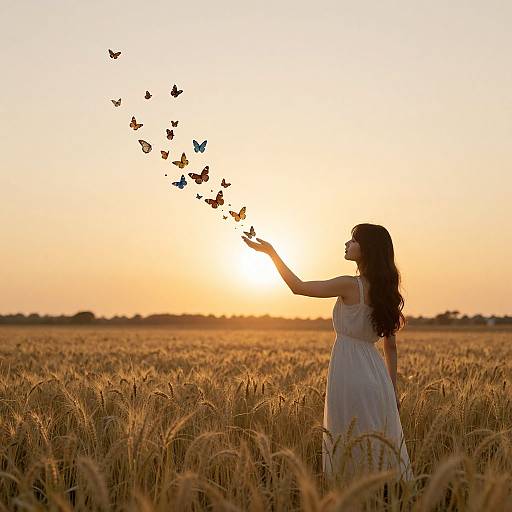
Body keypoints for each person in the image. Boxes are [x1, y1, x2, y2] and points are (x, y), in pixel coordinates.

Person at [241, 223, 414, 483]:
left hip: (349, 373)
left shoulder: (349, 285)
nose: (347, 244)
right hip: (377, 377)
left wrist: (271, 254)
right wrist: (392, 390)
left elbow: (298, 287)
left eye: (353, 240)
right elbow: (391, 347)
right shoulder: (385, 292)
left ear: (366, 249)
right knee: (378, 448)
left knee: (347, 444)